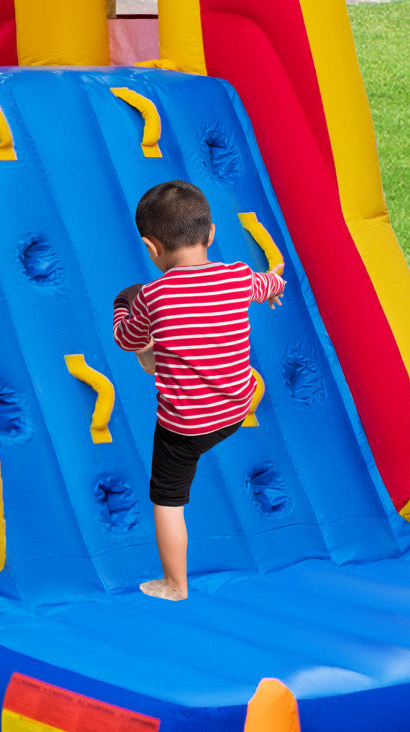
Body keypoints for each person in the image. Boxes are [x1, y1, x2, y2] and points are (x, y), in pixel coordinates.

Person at [113, 180, 285, 600]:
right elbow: (268, 283)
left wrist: (122, 307)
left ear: (151, 249)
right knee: (185, 342)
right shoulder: (238, 276)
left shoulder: (151, 297)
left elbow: (126, 338)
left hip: (187, 426)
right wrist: (275, 288)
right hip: (237, 406)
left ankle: (174, 584)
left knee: (168, 499)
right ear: (211, 234)